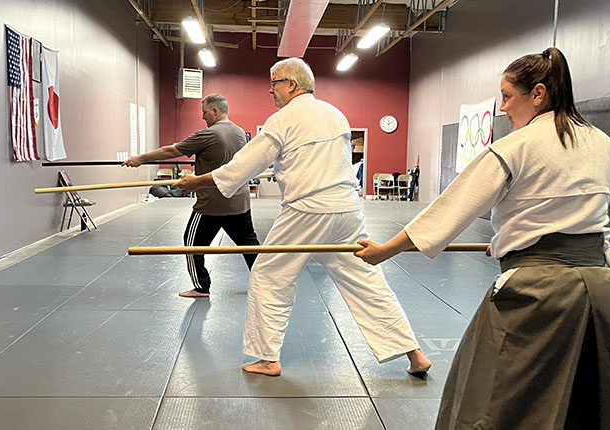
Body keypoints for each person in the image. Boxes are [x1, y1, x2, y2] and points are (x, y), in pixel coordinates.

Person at [355, 47, 610, 430]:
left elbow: (449, 212)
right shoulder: (605, 145)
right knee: (603, 402)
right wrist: (512, 240)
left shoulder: (513, 148)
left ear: (538, 93)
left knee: (491, 397)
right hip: (604, 290)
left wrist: (386, 250)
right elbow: (573, 213)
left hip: (539, 294)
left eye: (506, 96)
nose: (501, 107)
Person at [177, 58, 431, 377]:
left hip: (306, 212)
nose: (271, 91)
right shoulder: (335, 114)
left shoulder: (283, 119)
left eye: (275, 84)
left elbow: (242, 166)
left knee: (269, 276)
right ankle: (414, 354)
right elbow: (312, 160)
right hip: (346, 211)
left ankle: (267, 358)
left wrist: (196, 181)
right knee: (367, 281)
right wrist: (283, 168)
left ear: (291, 85)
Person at [124, 94, 260, 298]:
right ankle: (265, 284)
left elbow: (171, 150)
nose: (203, 117)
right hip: (239, 201)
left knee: (192, 242)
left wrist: (140, 159)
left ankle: (201, 287)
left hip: (211, 204)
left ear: (215, 111)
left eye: (205, 112)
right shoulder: (240, 132)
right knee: (250, 246)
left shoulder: (208, 134)